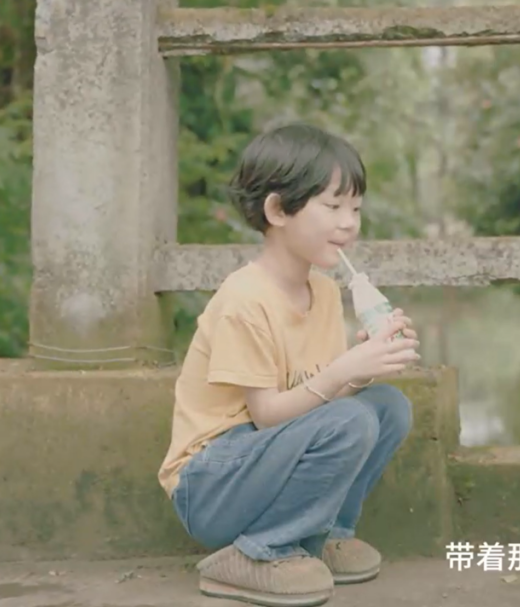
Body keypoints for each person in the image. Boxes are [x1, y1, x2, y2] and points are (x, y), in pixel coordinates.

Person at [157, 123, 421, 607]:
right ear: (278, 210)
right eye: (333, 206)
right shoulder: (245, 299)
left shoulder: (323, 291)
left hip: (264, 460)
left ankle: (323, 535)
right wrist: (344, 370)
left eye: (356, 209)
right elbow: (268, 415)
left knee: (386, 406)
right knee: (352, 417)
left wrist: (363, 369)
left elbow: (322, 405)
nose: (349, 224)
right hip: (211, 483)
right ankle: (262, 551)